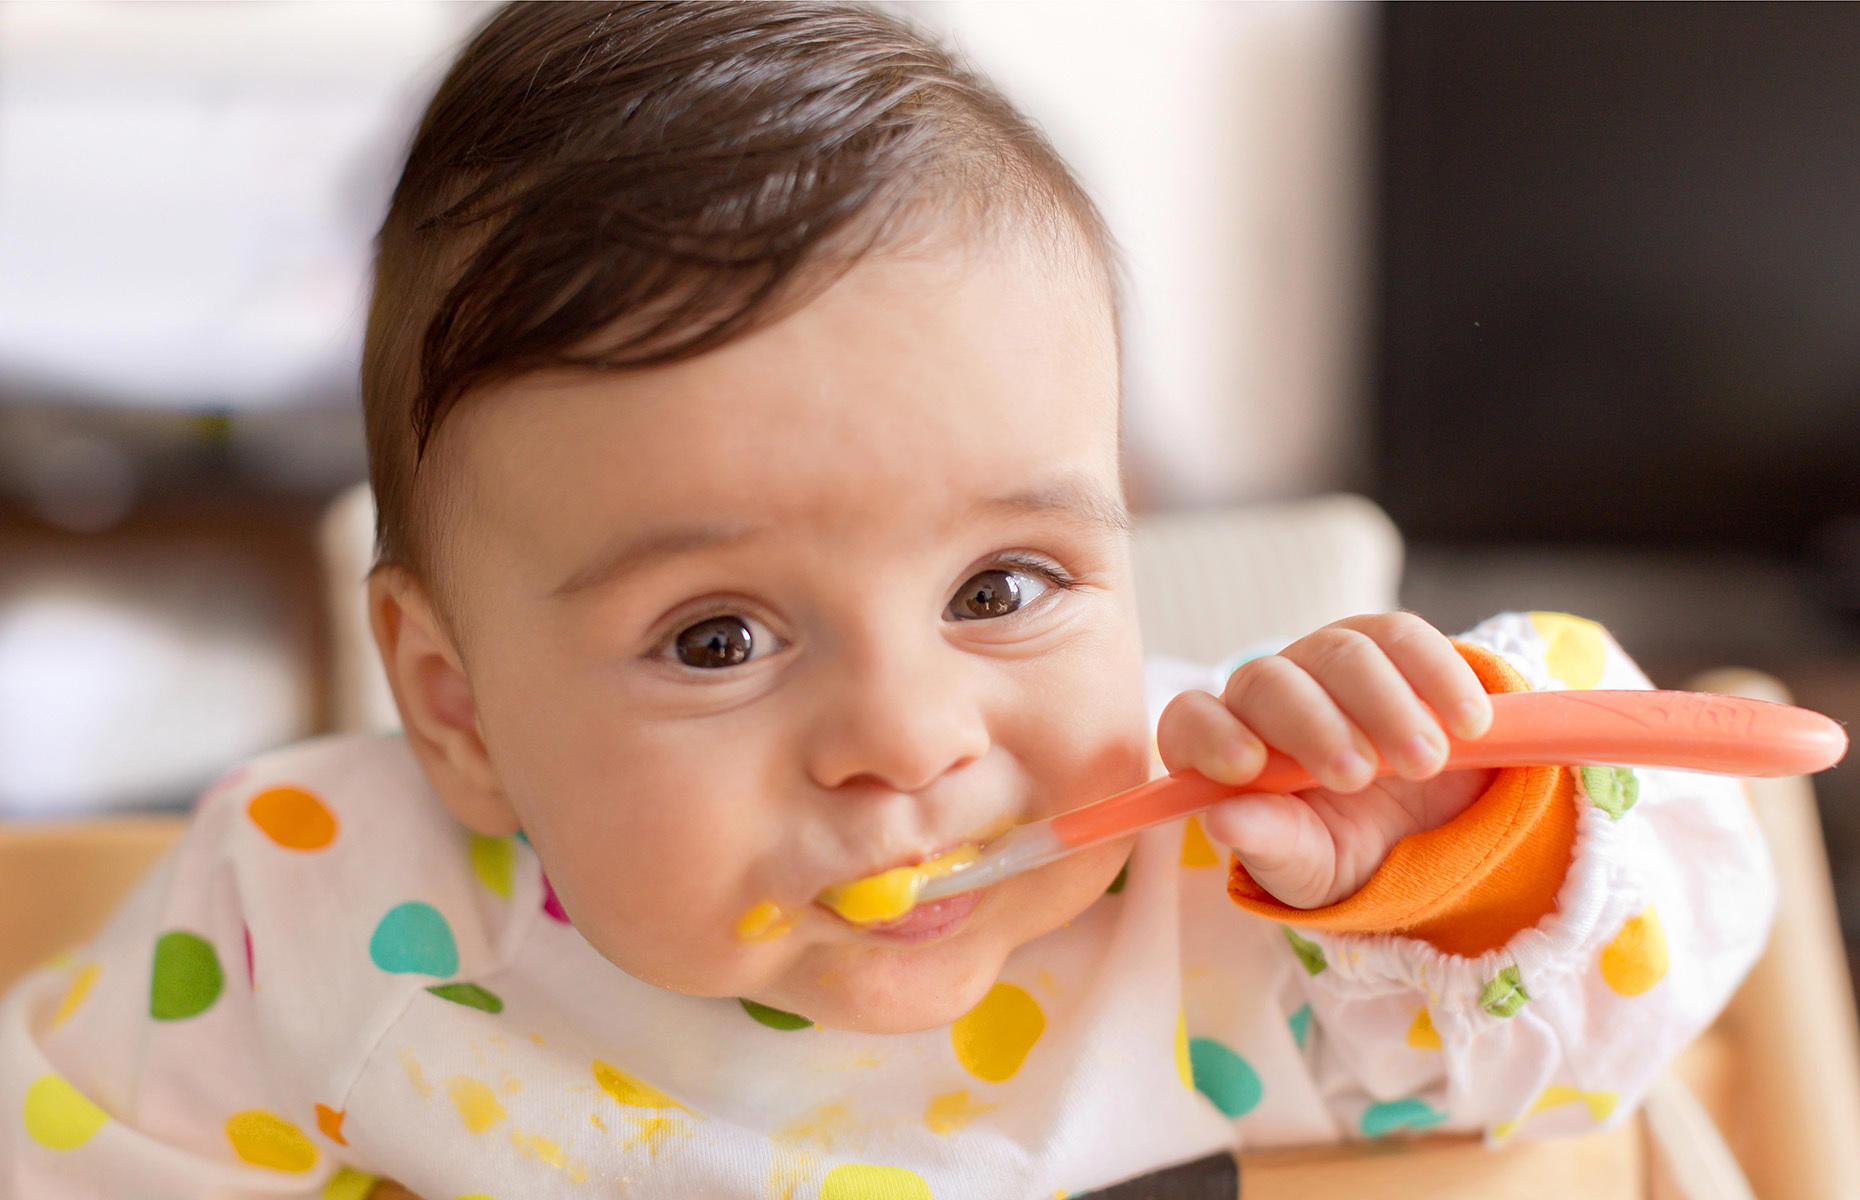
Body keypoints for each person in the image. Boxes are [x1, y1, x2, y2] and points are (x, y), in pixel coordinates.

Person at [0, 4, 1773, 1198]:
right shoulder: (310, 909)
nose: (910, 740)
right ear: (456, 711)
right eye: (721, 637)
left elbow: (1632, 998)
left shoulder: (1254, 878)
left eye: (1005, 585)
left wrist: (1455, 864)